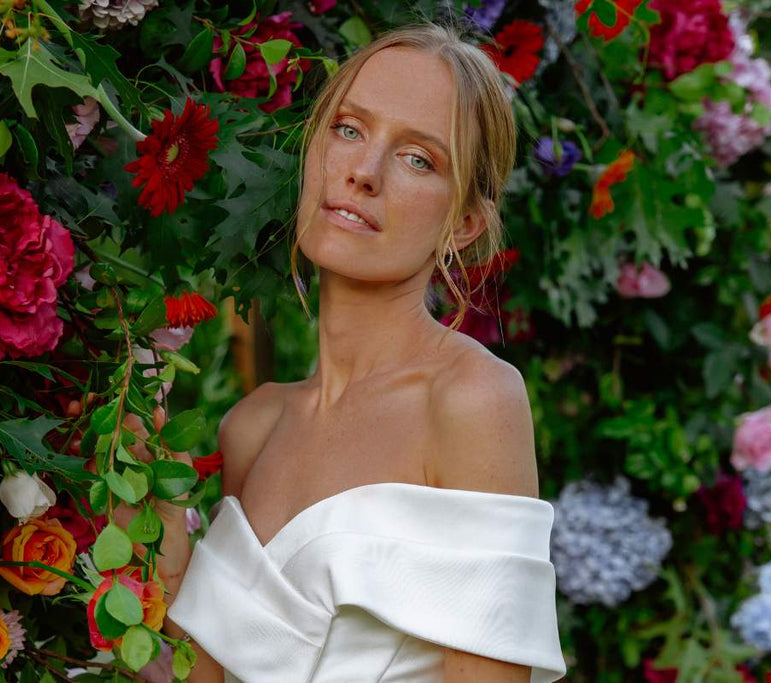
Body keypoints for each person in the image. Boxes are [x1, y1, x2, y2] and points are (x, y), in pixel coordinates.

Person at [157, 21, 567, 683]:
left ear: (463, 224)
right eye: (348, 129)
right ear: (313, 148)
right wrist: (165, 532)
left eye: (418, 159)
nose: (363, 172)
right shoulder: (254, 426)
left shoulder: (469, 400)